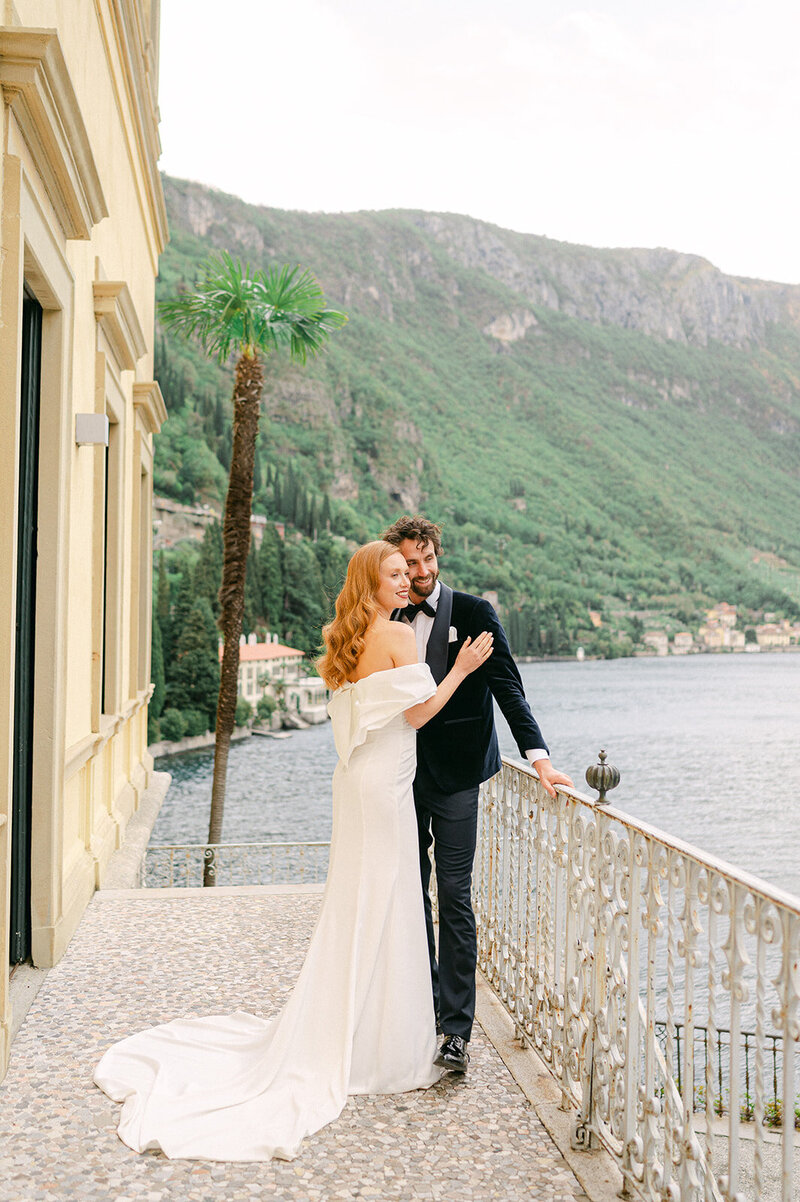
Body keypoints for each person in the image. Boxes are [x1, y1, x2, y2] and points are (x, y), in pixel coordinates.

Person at [94, 540, 493, 1162]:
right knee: (388, 904)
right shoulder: (397, 637)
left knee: (358, 899)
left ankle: (353, 1026)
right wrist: (463, 670)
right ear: (372, 581)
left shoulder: (346, 634)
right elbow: (418, 717)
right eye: (393, 574)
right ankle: (377, 1044)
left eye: (405, 574)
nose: (404, 582)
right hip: (386, 784)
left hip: (356, 779)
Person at [381, 515, 573, 1075]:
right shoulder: (386, 614)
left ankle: (456, 1031)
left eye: (427, 559)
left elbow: (508, 688)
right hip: (400, 773)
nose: (419, 572)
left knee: (455, 896)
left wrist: (539, 758)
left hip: (461, 775)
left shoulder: (474, 614)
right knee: (409, 892)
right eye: (409, 563)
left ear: (439, 556)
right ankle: (417, 1011)